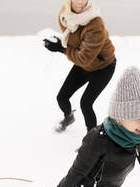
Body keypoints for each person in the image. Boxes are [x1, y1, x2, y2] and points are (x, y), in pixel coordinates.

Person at [43, 0, 116, 132]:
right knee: (62, 97)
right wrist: (61, 42)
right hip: (85, 64)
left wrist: (61, 49)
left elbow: (84, 58)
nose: (81, 2)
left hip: (103, 67)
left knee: (86, 104)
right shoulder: (66, 15)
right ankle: (68, 117)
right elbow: (73, 37)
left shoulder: (96, 24)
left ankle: (92, 140)